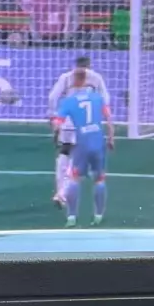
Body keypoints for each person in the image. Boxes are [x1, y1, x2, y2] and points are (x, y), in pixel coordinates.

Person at [47, 58, 111, 207]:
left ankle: (60, 192)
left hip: (67, 121)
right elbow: (105, 98)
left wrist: (52, 115)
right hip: (86, 123)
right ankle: (63, 193)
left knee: (64, 152)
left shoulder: (66, 77)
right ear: (89, 66)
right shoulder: (96, 77)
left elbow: (52, 97)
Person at [54, 77, 115, 228]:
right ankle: (98, 216)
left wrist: (56, 137)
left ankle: (72, 217)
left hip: (82, 142)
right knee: (99, 179)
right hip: (98, 141)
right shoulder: (98, 98)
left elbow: (57, 124)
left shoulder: (69, 101)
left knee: (74, 178)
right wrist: (111, 138)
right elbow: (109, 118)